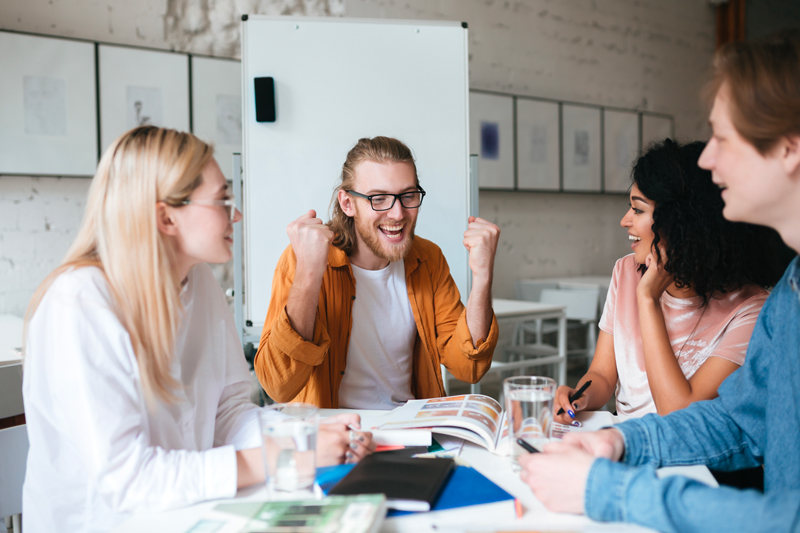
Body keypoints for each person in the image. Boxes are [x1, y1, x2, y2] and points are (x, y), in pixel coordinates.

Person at [22, 126, 374, 532]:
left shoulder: (200, 282)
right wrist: (286, 457)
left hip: (191, 516)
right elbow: (130, 480)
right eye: (223, 200)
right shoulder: (81, 302)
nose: (236, 214)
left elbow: (228, 413)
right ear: (166, 216)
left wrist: (306, 435)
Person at [520, 31, 800, 532]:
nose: (708, 161)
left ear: (789, 148)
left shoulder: (760, 304)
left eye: (722, 137)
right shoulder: (791, 295)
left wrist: (608, 490)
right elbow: (740, 421)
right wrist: (624, 442)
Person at [554, 139, 787, 426]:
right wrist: (580, 397)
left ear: (680, 224)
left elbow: (679, 413)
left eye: (637, 210)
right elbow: (601, 375)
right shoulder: (626, 271)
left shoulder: (751, 310)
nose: (624, 220)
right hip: (620, 444)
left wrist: (648, 299)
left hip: (692, 463)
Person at [255, 136, 500, 408]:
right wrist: (309, 273)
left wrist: (483, 277)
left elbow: (469, 367)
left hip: (411, 433)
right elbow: (278, 386)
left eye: (408, 196)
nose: (397, 214)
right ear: (347, 203)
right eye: (378, 198)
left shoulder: (428, 259)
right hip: (336, 438)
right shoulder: (303, 259)